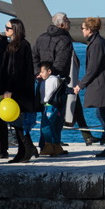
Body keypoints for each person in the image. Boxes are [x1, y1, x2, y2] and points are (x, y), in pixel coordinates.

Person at [73, 17, 105, 158]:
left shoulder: (96, 44)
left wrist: (80, 85)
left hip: (103, 85)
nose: (81, 31)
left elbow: (93, 68)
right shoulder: (98, 41)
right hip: (104, 84)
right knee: (103, 115)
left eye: (82, 28)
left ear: (89, 29)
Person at [0, 17, 39, 164]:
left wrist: (11, 90)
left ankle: (27, 149)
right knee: (16, 123)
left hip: (20, 91)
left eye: (8, 28)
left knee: (19, 122)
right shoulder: (11, 46)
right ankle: (24, 151)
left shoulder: (23, 46)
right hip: (12, 90)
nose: (6, 30)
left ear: (15, 29)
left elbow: (19, 71)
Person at [33, 13, 75, 153]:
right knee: (56, 115)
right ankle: (51, 145)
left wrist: (38, 74)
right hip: (57, 82)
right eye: (68, 20)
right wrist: (54, 75)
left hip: (41, 80)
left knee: (46, 113)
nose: (70, 22)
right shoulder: (64, 40)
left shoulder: (41, 38)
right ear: (62, 24)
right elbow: (61, 64)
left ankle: (49, 144)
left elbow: (34, 56)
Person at [35, 61, 64, 157]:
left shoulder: (53, 80)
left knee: (46, 126)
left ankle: (48, 145)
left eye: (42, 72)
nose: (40, 74)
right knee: (49, 126)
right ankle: (56, 146)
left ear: (49, 71)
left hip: (51, 106)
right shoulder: (43, 81)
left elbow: (48, 95)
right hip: (46, 106)